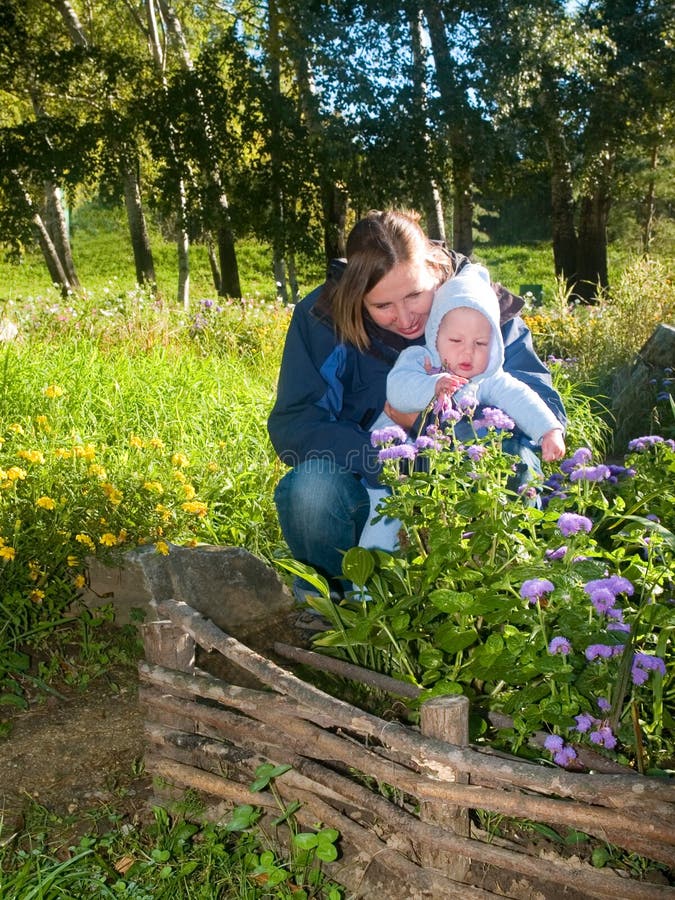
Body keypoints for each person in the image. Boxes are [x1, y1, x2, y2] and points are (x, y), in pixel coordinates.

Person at [267, 209, 566, 599]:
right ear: (358, 298)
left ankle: (488, 598)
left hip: (467, 472)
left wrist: (452, 429)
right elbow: (295, 425)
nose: (405, 319)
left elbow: (539, 400)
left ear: (434, 270)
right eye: (382, 306)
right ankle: (335, 607)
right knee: (310, 489)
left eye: (415, 295)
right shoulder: (322, 316)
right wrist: (387, 455)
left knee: (515, 457)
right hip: (367, 480)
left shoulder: (478, 305)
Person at [359, 263, 566, 551]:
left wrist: (549, 430)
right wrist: (433, 386)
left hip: (445, 468)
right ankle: (367, 588)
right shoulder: (421, 360)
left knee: (457, 521)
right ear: (436, 334)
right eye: (456, 340)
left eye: (481, 343)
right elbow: (397, 391)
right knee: (386, 514)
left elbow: (522, 397)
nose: (467, 352)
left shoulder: (489, 378)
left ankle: (500, 553)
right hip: (394, 461)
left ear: (494, 344)